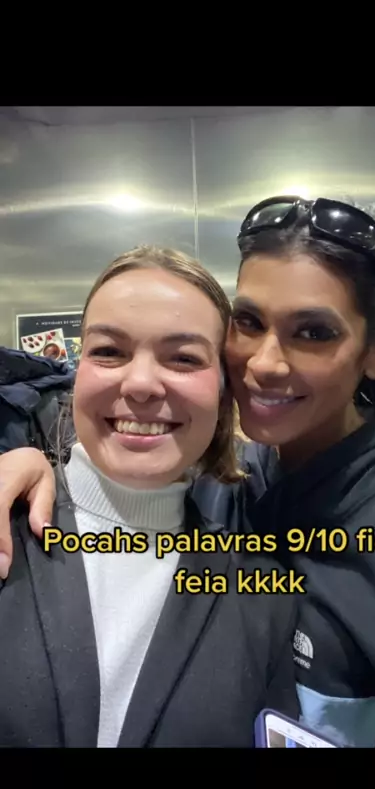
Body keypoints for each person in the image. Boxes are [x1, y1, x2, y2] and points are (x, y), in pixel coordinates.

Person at [1, 197, 375, 748]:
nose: (265, 363)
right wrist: (34, 460)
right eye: (249, 322)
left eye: (314, 332)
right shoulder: (239, 486)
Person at [0, 245, 299, 748]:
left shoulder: (263, 599)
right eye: (109, 351)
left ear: (224, 393)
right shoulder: (8, 529)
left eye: (183, 358)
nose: (140, 384)